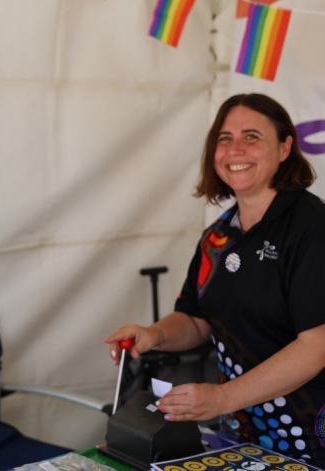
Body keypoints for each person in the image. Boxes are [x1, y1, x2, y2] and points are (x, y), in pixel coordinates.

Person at [105, 94, 325, 466]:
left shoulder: (312, 228)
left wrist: (222, 398)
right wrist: (153, 334)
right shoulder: (217, 236)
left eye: (252, 136)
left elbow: (315, 346)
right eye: (224, 138)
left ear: (285, 147)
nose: (235, 149)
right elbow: (196, 318)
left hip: (307, 440)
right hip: (238, 435)